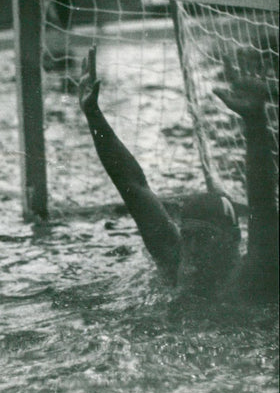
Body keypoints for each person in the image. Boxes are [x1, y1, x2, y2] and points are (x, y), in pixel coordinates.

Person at [78, 45, 278, 301]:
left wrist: (255, 122)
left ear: (234, 239)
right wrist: (93, 115)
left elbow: (263, 208)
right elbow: (134, 185)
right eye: (188, 236)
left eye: (205, 237)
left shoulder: (254, 277)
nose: (192, 249)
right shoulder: (179, 263)